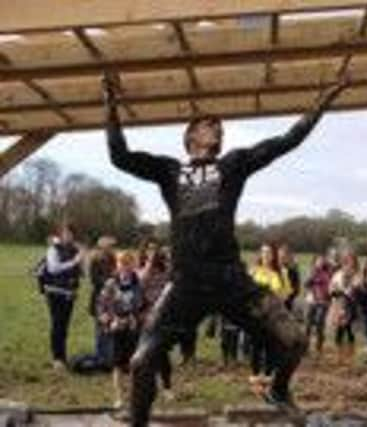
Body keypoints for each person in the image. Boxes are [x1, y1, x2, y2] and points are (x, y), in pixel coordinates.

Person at [102, 69, 347, 425]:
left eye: (219, 126)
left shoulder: (233, 164)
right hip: (185, 283)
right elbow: (119, 156)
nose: (217, 128)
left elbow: (286, 140)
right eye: (207, 124)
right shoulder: (169, 171)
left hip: (231, 280)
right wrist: (110, 104)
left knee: (294, 340)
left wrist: (322, 100)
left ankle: (278, 388)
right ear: (189, 137)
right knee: (141, 363)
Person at [97, 251, 143, 409]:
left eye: (129, 263)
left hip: (132, 328)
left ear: (134, 265)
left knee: (133, 364)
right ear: (117, 265)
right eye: (122, 263)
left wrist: (135, 318)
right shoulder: (111, 283)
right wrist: (110, 320)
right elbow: (101, 306)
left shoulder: (138, 283)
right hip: (116, 327)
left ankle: (132, 396)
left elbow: (143, 305)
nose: (126, 267)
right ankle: (119, 398)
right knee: (117, 364)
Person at [248, 243, 292, 396]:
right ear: (260, 254)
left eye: (269, 253)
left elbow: (286, 294)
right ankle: (255, 380)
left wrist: (276, 299)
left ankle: (266, 380)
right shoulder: (253, 271)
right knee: (255, 348)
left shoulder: (281, 272)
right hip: (256, 315)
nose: (266, 255)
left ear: (273, 256)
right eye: (263, 252)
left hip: (273, 316)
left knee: (271, 348)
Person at [43, 223, 84, 370]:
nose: (69, 236)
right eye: (66, 233)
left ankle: (63, 356)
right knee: (57, 324)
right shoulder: (53, 249)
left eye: (71, 233)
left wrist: (81, 260)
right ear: (60, 234)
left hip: (69, 293)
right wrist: (74, 262)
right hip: (54, 291)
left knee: (64, 326)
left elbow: (80, 272)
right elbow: (53, 269)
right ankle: (57, 358)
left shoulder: (74, 250)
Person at [138, 241, 175, 402]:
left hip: (162, 315)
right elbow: (140, 283)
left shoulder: (165, 270)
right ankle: (147, 388)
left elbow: (170, 288)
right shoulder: (140, 268)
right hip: (144, 316)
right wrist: (148, 265)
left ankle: (167, 387)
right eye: (148, 248)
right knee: (144, 353)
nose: (152, 251)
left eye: (154, 249)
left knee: (162, 353)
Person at [329, 250, 363, 365]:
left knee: (349, 331)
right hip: (338, 305)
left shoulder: (357, 274)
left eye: (351, 260)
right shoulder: (337, 274)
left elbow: (357, 289)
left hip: (351, 306)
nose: (348, 263)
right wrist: (338, 291)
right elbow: (332, 289)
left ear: (354, 262)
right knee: (339, 331)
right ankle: (339, 356)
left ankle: (350, 357)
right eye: (346, 260)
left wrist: (347, 290)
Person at [88, 235, 117, 369]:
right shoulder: (95, 260)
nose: (111, 249)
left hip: (111, 298)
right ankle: (100, 357)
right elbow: (94, 280)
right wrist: (109, 281)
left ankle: (109, 358)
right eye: (109, 246)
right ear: (102, 247)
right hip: (98, 298)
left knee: (110, 328)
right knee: (99, 329)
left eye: (112, 247)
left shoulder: (113, 259)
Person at [305, 255, 332, 356]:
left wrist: (329, 299)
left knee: (319, 322)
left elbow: (331, 287)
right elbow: (306, 284)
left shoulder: (327, 273)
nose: (320, 262)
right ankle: (305, 346)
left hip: (324, 302)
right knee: (308, 324)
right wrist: (312, 280)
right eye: (318, 261)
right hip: (312, 301)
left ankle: (319, 346)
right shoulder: (311, 272)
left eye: (322, 261)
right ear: (315, 262)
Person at [278, 244, 301, 312]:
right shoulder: (272, 268)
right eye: (280, 256)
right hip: (272, 302)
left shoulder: (293, 271)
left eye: (284, 256)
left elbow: (297, 288)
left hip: (287, 303)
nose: (282, 258)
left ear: (289, 257)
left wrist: (288, 296)